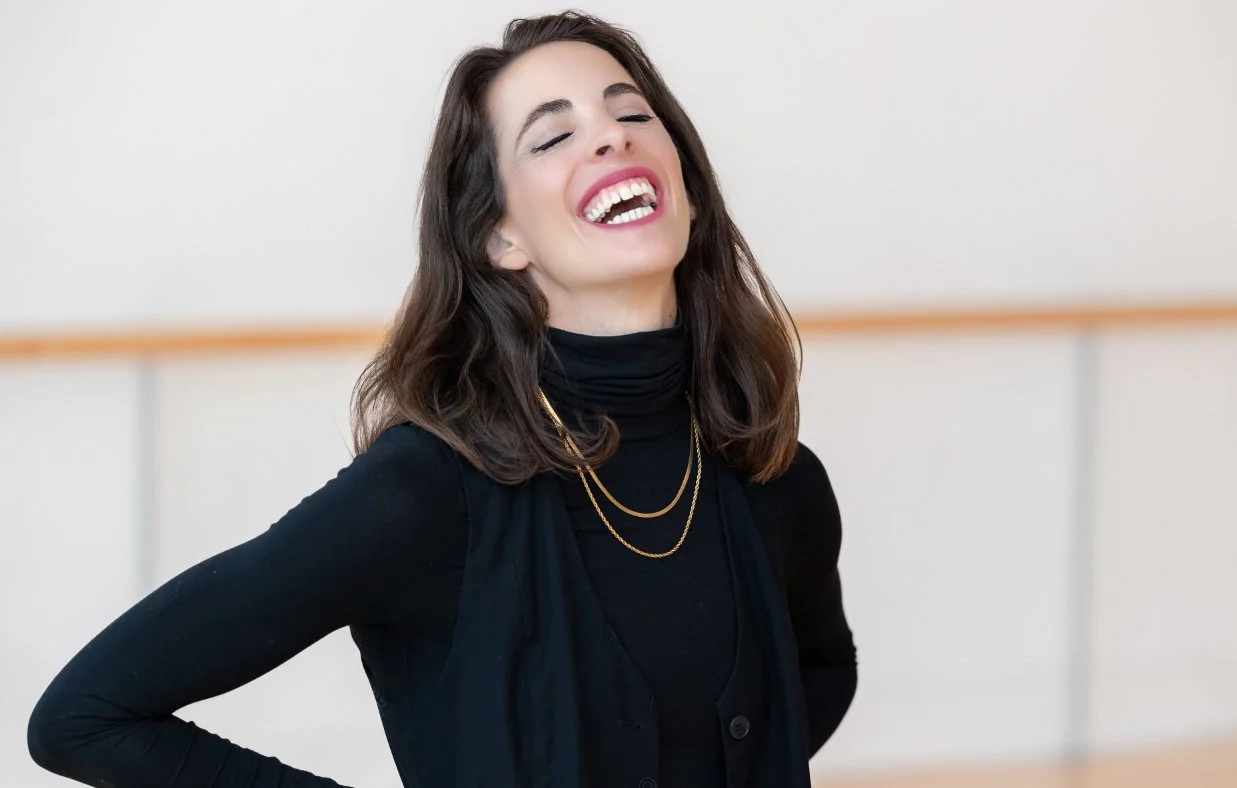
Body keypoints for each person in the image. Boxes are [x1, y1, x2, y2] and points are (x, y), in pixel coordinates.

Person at [28, 10, 857, 788]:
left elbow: (822, 674)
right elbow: (87, 716)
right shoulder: (421, 493)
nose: (609, 136)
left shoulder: (775, 477)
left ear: (688, 186)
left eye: (632, 115)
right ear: (500, 235)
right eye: (556, 135)